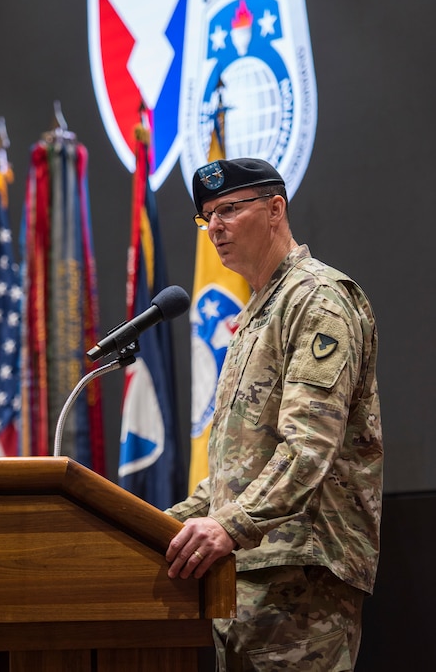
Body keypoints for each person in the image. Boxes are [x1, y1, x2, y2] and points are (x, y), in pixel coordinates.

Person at [165, 158, 383, 671]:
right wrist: (160, 527)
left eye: (228, 210)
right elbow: (237, 470)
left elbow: (309, 446)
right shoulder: (258, 314)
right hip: (240, 574)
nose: (214, 226)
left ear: (275, 209)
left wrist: (229, 525)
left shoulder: (318, 299)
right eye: (206, 217)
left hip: (300, 576)